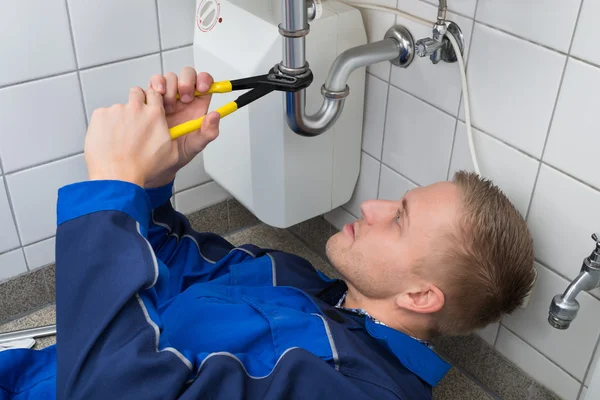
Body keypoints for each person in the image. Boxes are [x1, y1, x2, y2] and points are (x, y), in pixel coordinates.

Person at [0, 68, 535, 400]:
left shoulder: (351, 389)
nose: (371, 205)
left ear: (421, 295)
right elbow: (170, 264)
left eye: (399, 218)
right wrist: (157, 182)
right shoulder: (299, 278)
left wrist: (113, 188)